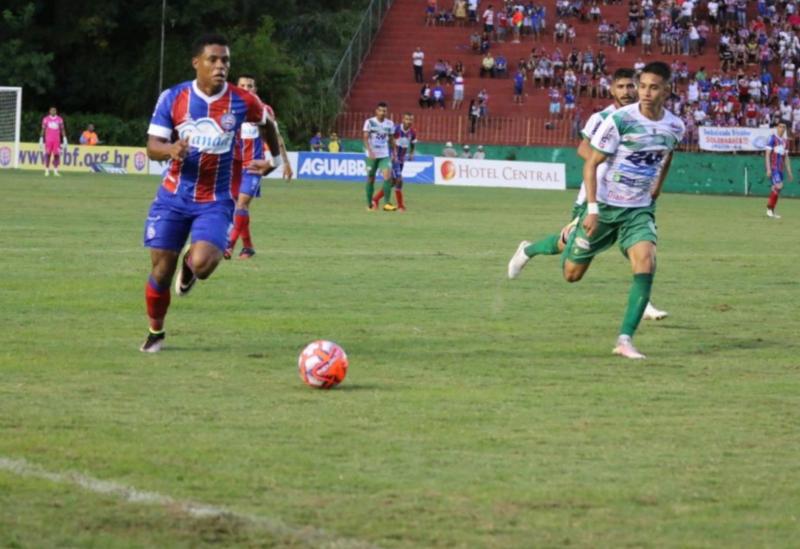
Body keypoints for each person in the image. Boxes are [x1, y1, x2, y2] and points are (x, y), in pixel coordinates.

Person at [508, 63, 683, 358]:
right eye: (639, 86)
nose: (641, 92)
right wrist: (591, 207)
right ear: (613, 89)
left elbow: (666, 154)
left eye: (650, 87)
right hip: (600, 203)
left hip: (637, 208)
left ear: (667, 89)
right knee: (571, 273)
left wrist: (657, 185)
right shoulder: (612, 119)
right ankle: (530, 249)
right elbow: (588, 157)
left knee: (645, 260)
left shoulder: (676, 125)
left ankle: (625, 339)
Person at [140, 34, 281, 353]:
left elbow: (267, 123)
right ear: (197, 63)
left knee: (203, 264)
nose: (221, 66)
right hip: (173, 196)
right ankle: (155, 331)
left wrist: (272, 160)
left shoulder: (242, 100)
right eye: (213, 60)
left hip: (216, 199)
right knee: (161, 272)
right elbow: (152, 147)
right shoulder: (173, 98)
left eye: (226, 61)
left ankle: (190, 266)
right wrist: (171, 149)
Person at [225, 75, 293, 260]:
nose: (246, 89)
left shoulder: (263, 110)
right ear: (236, 87)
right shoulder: (229, 108)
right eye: (242, 85)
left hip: (254, 164)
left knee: (242, 203)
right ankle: (248, 247)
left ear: (255, 89)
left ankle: (228, 245)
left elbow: (275, 137)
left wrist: (285, 162)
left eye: (250, 86)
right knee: (238, 207)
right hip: (234, 164)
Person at [372, 113, 416, 212]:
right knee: (399, 180)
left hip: (401, 159)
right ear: (403, 119)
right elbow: (387, 141)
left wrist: (412, 153)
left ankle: (375, 200)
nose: (409, 122)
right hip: (393, 158)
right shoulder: (396, 129)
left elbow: (413, 144)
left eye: (411, 120)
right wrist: (390, 154)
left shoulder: (412, 132)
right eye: (407, 119)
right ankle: (400, 206)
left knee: (392, 182)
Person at [363, 102, 397, 211]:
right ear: (376, 111)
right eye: (381, 110)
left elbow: (391, 139)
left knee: (388, 177)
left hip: (384, 155)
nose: (383, 113)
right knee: (371, 178)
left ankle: (387, 203)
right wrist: (370, 151)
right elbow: (365, 138)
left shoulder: (390, 124)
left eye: (385, 111)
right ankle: (369, 204)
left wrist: (394, 152)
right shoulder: (369, 122)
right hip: (371, 156)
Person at [765, 122, 793, 218]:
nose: (782, 128)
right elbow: (767, 154)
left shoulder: (786, 141)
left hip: (780, 169)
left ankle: (771, 210)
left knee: (776, 189)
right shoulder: (772, 138)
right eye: (780, 126)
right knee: (779, 186)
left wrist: (789, 171)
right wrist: (768, 169)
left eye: (784, 127)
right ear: (777, 127)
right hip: (774, 168)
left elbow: (786, 157)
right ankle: (769, 209)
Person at [39, 106, 67, 176]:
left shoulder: (59, 119)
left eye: (54, 110)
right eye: (51, 110)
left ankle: (55, 170)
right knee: (47, 154)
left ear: (56, 111)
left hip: (57, 140)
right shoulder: (46, 119)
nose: (53, 112)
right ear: (49, 111)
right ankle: (47, 170)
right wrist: (41, 138)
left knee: (57, 155)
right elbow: (43, 129)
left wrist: (64, 138)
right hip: (48, 140)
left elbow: (62, 129)